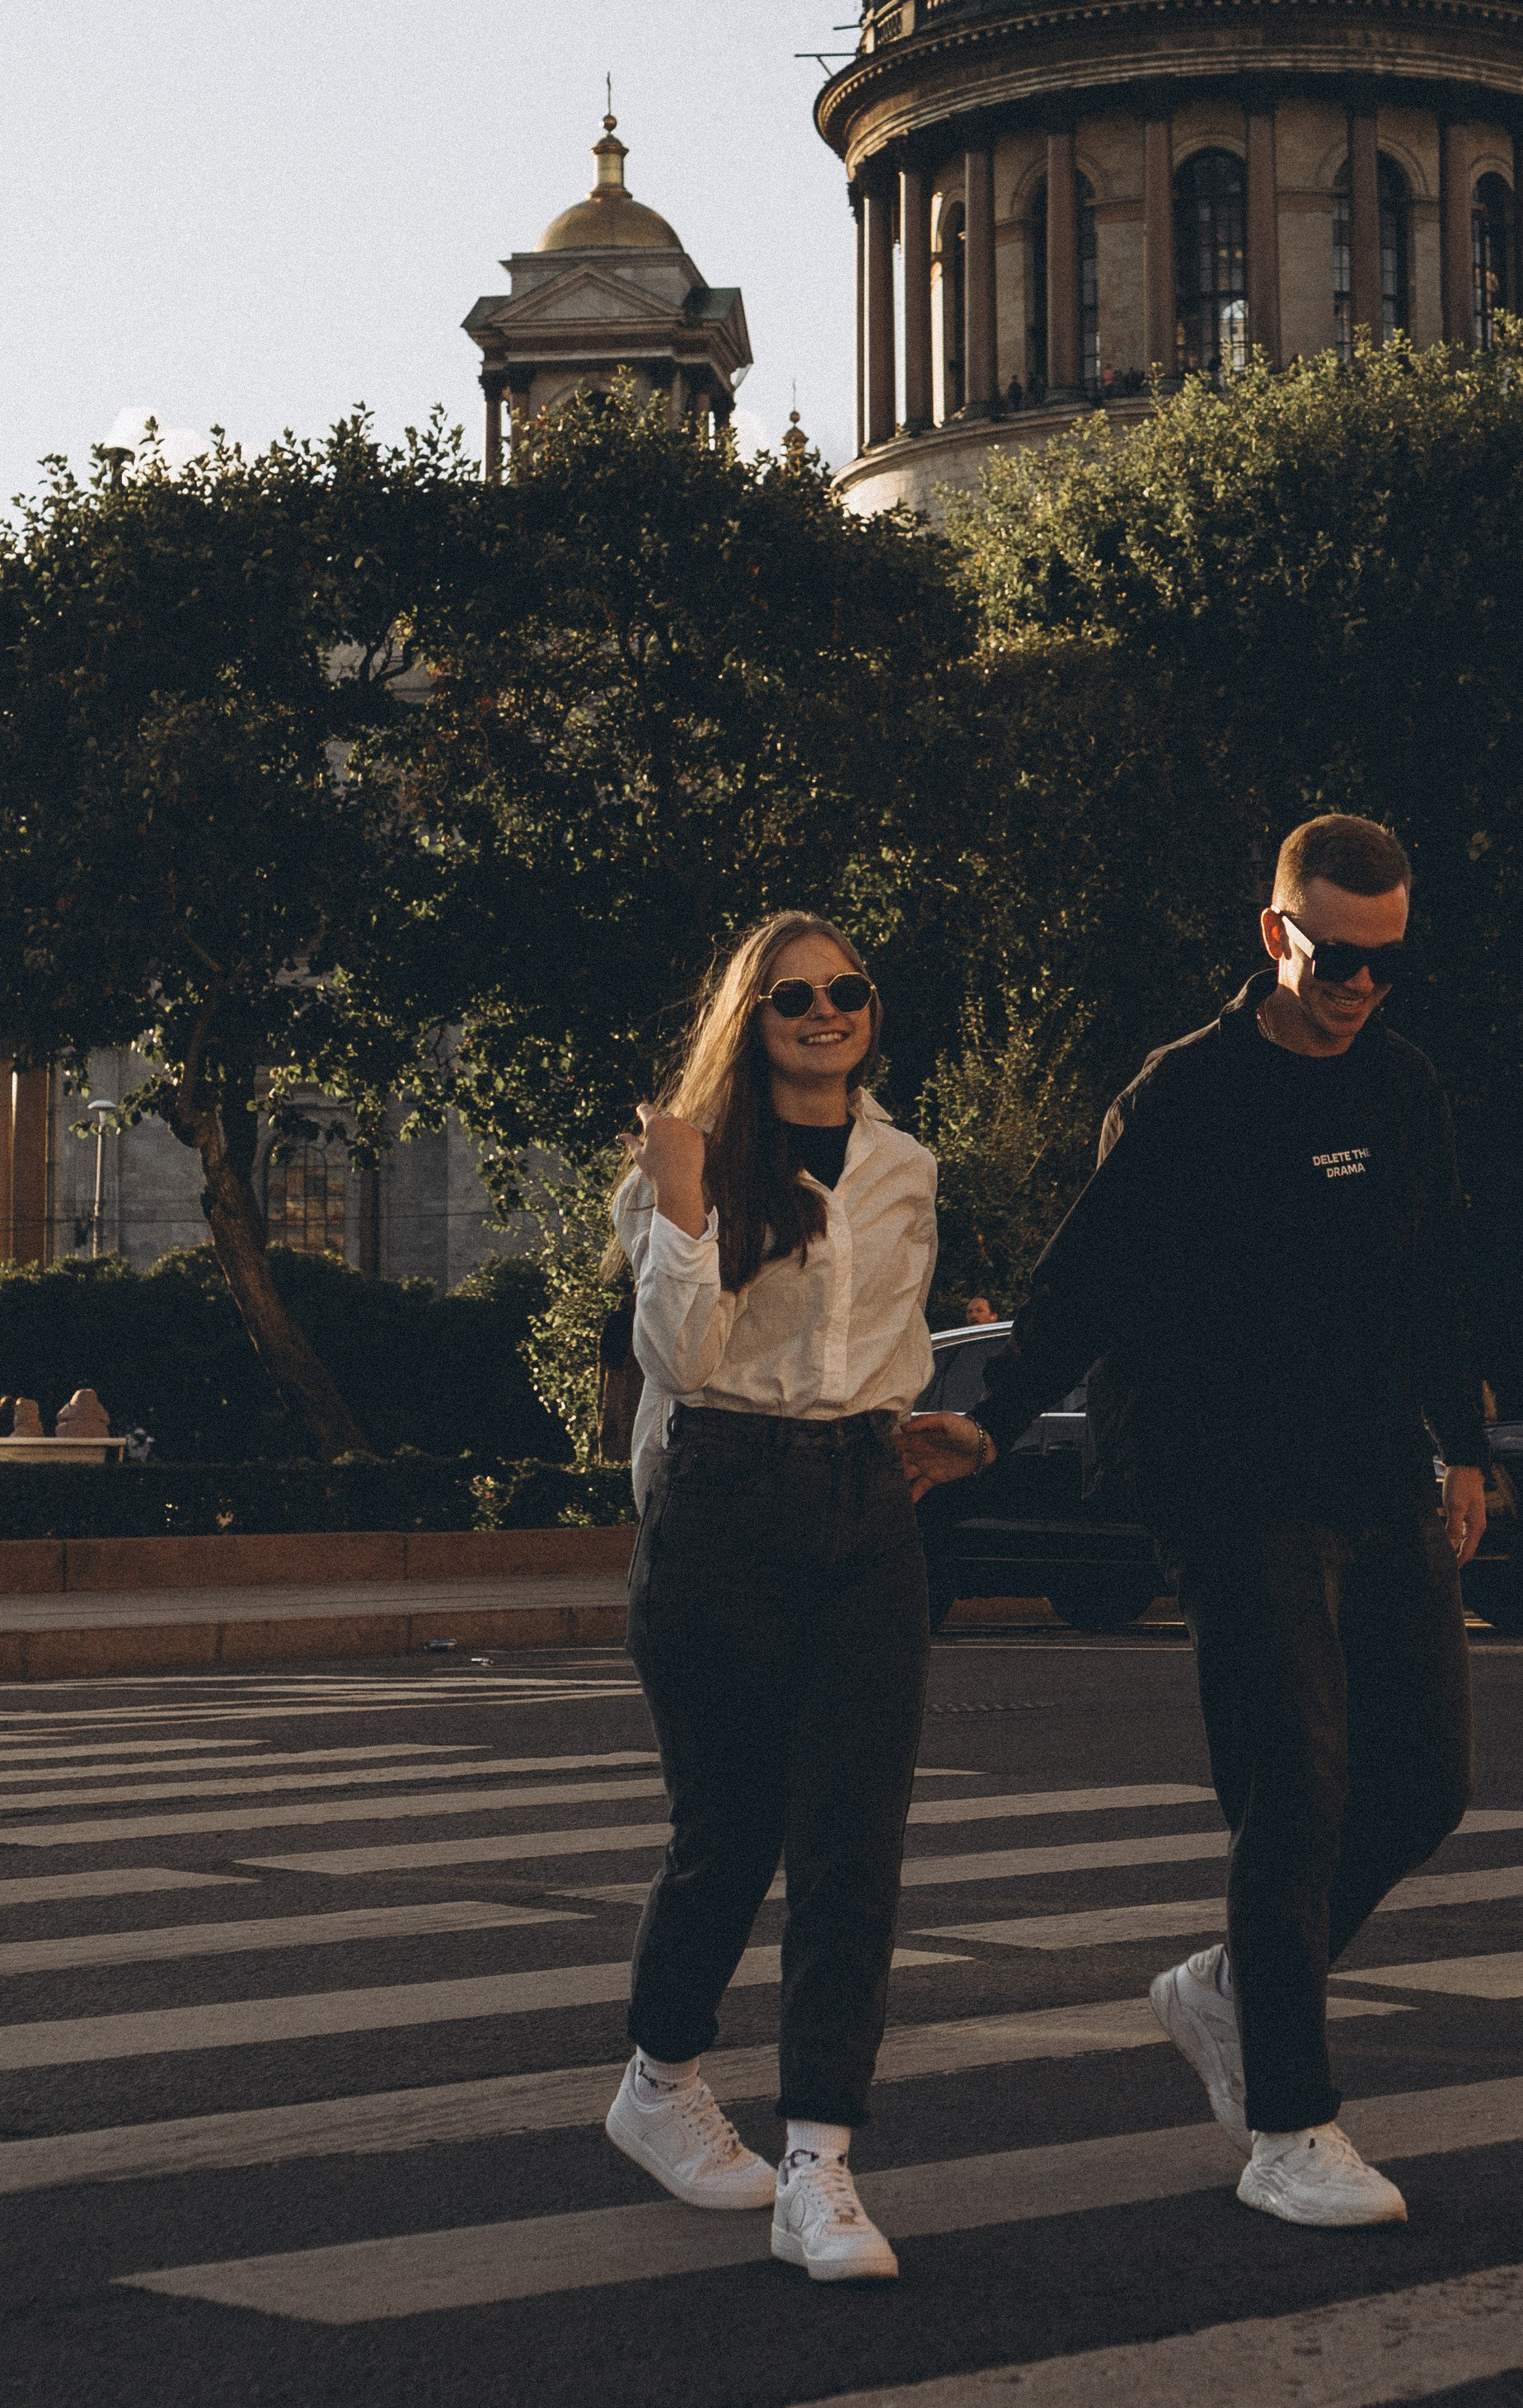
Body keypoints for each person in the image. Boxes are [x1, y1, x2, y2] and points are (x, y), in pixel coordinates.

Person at [902, 814, 1488, 2230]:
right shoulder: (1186, 1095)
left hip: (1372, 1470)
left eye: (1386, 962)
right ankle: (1288, 2129)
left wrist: (1465, 1448)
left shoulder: (1403, 1087)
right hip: (1224, 1484)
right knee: (1293, 1788)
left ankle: (1227, 1989)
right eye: (1335, 956)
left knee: (1424, 1784)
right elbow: (1084, 1277)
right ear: (1276, 932)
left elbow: (1439, 1281)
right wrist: (993, 1415)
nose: (1358, 987)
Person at [607, 908, 941, 2283]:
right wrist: (682, 1199)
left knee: (855, 1846)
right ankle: (659, 2083)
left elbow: (890, 1340)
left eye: (846, 992)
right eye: (793, 997)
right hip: (724, 1505)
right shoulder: (688, 1164)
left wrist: (928, 1424)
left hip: (868, 1501)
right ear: (750, 1019)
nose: (824, 1012)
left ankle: (823, 2165)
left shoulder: (906, 1164)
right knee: (729, 1836)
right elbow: (680, 1358)